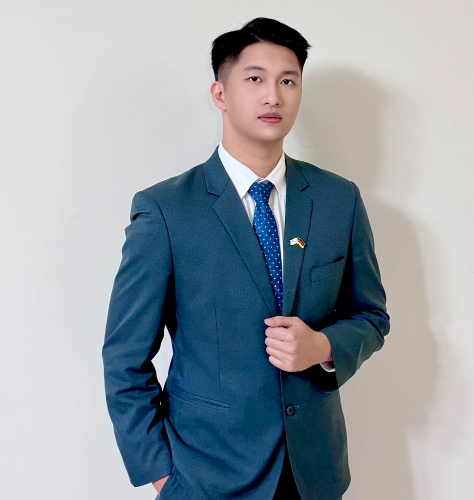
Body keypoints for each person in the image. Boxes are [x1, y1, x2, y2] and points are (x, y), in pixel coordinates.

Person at [102, 16, 390, 500]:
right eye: (255, 79)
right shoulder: (166, 210)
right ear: (220, 94)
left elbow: (371, 316)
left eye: (288, 81)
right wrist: (163, 475)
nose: (273, 96)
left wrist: (322, 346)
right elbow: (125, 358)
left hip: (314, 474)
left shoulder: (338, 200)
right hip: (205, 476)